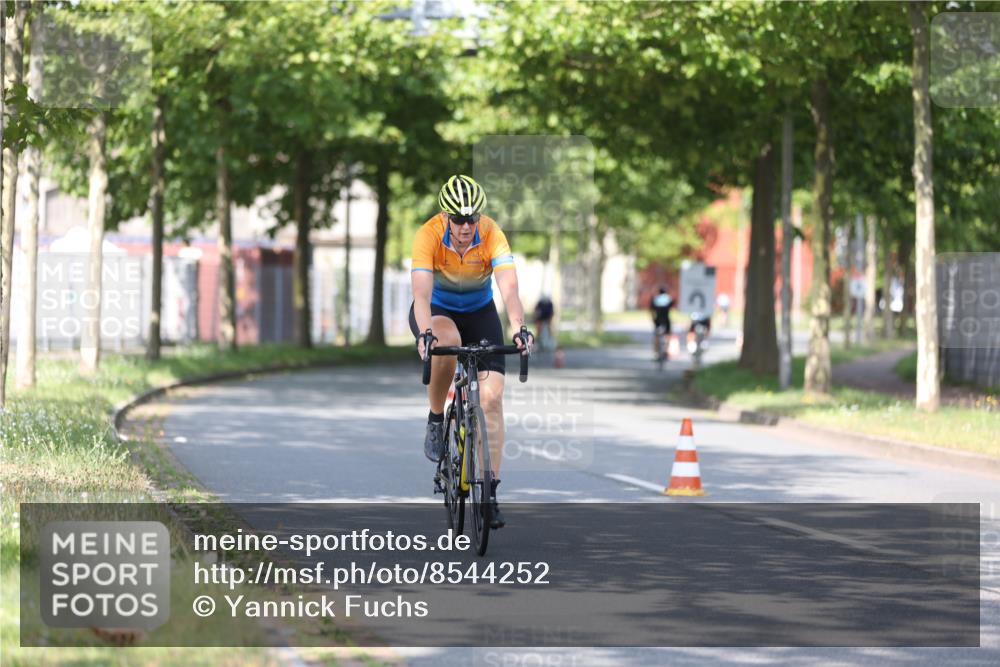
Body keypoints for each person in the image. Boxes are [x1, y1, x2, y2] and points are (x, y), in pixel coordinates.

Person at [409, 174, 532, 529]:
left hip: (480, 313)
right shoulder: (428, 234)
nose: (466, 226)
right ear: (445, 216)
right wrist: (426, 334)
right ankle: (436, 418)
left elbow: (509, 289)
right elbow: (420, 294)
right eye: (459, 219)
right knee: (445, 343)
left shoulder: (492, 233)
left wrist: (519, 327)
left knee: (492, 398)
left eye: (472, 217)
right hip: (437, 310)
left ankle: (489, 491)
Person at [650, 286, 674, 360]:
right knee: (668, 335)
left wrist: (653, 318)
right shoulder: (668, 298)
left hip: (657, 319)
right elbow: (671, 306)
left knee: (657, 336)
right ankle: (666, 351)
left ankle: (656, 352)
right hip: (666, 319)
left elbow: (651, 309)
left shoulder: (656, 298)